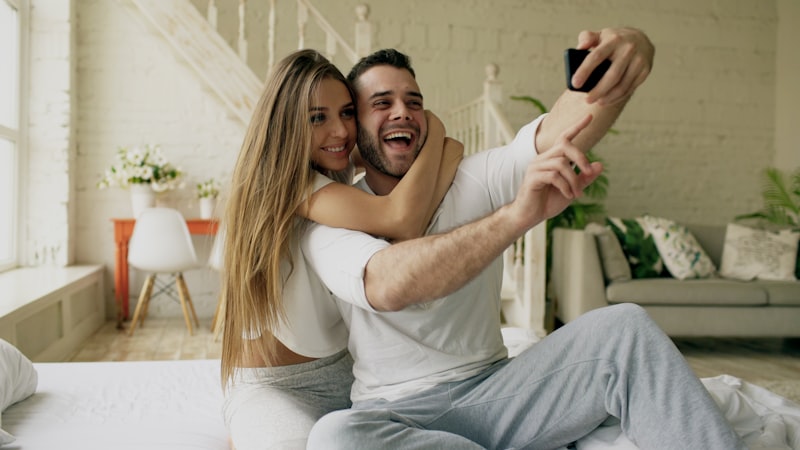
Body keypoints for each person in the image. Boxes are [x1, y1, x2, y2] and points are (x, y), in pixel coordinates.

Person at [302, 28, 747, 449]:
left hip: (501, 395)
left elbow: (561, 129)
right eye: (382, 103)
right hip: (397, 417)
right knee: (335, 437)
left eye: (413, 102)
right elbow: (390, 284)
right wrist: (516, 217)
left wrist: (630, 50)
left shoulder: (473, 177)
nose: (403, 111)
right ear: (355, 125)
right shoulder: (332, 217)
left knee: (623, 328)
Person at [219, 49, 462, 450]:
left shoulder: (326, 173)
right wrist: (437, 136)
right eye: (318, 117)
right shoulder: (289, 186)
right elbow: (403, 219)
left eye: (347, 113)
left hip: (354, 375)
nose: (340, 132)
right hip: (279, 388)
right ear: (286, 123)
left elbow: (400, 201)